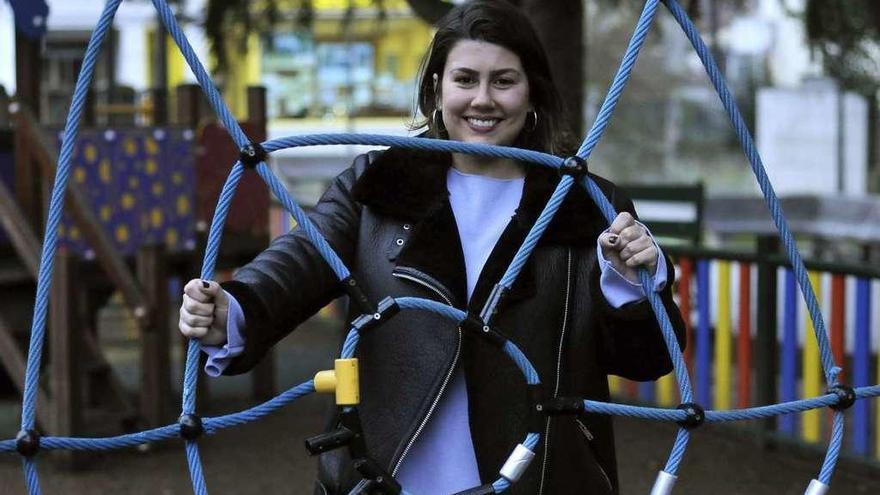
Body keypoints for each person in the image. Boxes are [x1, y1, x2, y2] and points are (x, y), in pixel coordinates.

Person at [178, 1, 686, 493]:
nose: (482, 99)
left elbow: (646, 360)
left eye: (503, 81)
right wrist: (236, 307)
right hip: (387, 471)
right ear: (437, 89)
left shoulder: (583, 204)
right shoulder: (379, 184)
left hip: (539, 472)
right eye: (465, 79)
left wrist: (631, 284)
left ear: (533, 94)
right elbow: (303, 260)